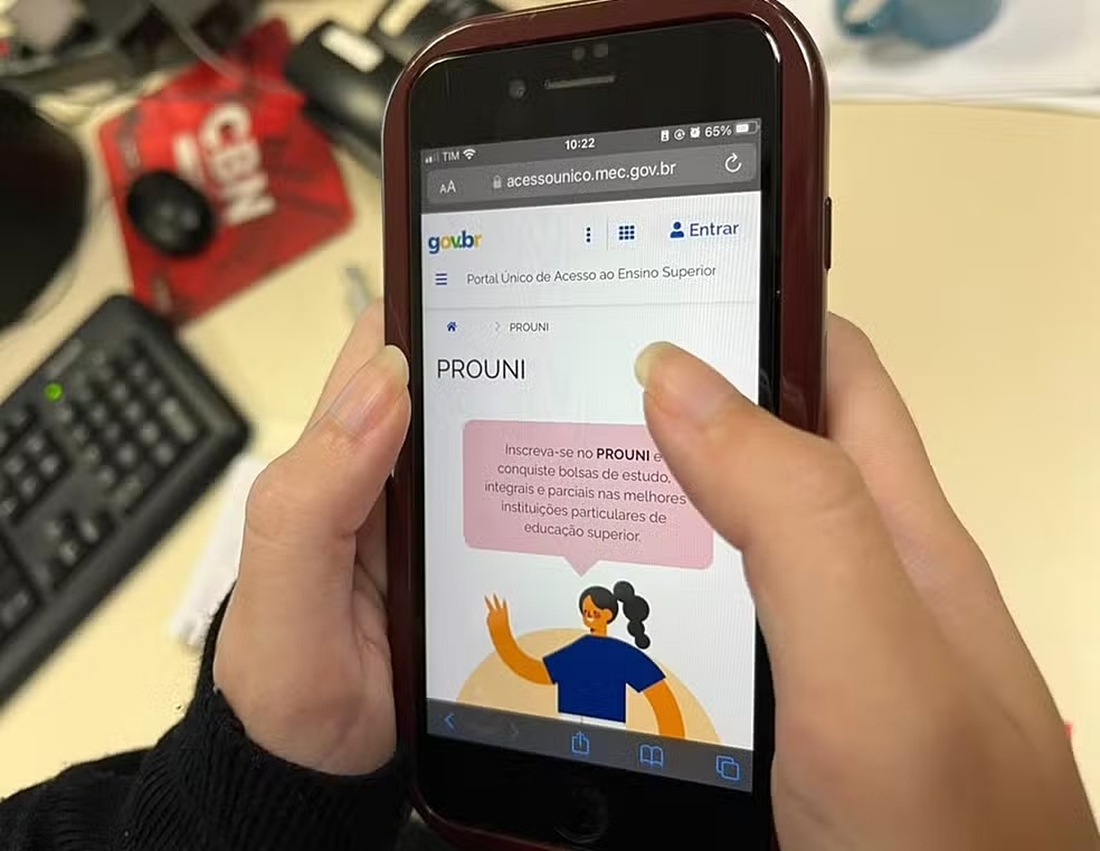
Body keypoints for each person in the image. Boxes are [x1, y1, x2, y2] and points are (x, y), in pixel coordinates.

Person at [1, 300, 1098, 851]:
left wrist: (248, 802)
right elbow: (549, 667)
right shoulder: (582, 646)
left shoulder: (614, 652)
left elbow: (655, 693)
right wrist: (261, 786)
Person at [485, 581, 686, 737]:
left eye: (594, 613)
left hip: (609, 728)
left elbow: (661, 699)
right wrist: (501, 635)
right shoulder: (578, 650)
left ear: (608, 614)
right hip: (568, 723)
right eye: (586, 612)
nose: (589, 617)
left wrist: (673, 746)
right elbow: (536, 671)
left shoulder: (622, 654)